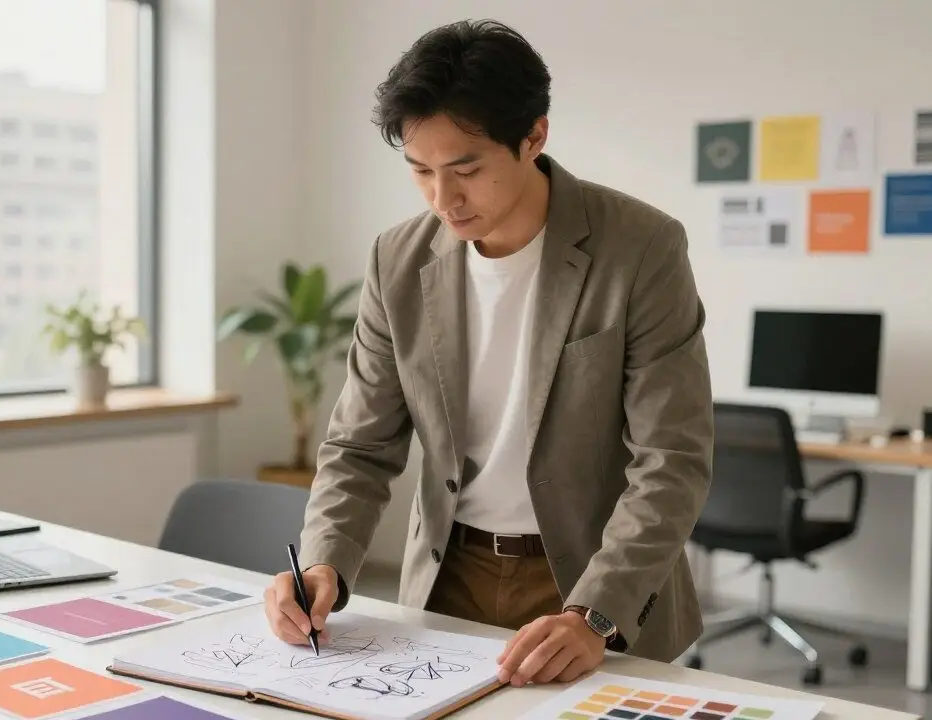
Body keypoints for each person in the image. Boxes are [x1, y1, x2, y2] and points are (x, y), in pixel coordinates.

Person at [262, 18, 714, 687]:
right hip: (449, 577)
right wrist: (323, 563)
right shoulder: (397, 259)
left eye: (466, 169)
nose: (444, 199)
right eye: (420, 171)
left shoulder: (640, 249)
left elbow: (671, 459)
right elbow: (360, 445)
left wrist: (595, 614)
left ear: (534, 136)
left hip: (591, 584)